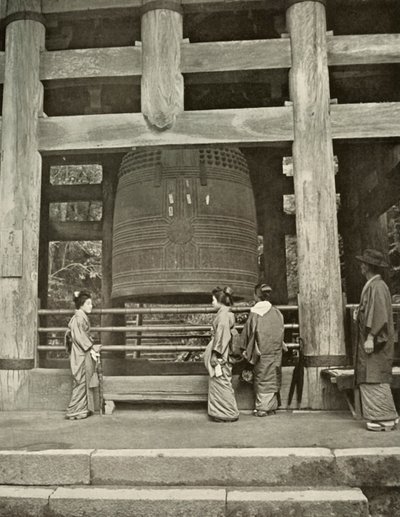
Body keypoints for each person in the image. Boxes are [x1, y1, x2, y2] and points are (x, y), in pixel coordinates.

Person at [354, 249, 399, 431]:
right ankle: (386, 416)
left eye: (363, 264)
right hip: (371, 340)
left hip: (375, 341)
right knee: (371, 376)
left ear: (367, 266)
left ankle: (384, 417)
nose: (361, 266)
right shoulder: (374, 285)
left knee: (374, 377)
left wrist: (371, 337)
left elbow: (380, 314)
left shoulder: (377, 287)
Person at [240, 283, 285, 417]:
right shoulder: (276, 312)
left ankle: (262, 407)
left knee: (261, 377)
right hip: (275, 350)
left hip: (261, 351)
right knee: (273, 375)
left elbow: (248, 333)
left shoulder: (255, 313)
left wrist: (244, 349)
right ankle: (271, 405)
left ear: (255, 296)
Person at [204, 286, 240, 422]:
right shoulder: (225, 313)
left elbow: (222, 336)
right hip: (223, 352)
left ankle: (228, 413)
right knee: (221, 382)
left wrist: (215, 354)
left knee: (221, 382)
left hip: (221, 354)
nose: (212, 302)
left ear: (219, 301)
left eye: (213, 300)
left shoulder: (223, 315)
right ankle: (222, 412)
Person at [65, 291, 101, 420]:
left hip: (80, 351)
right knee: (81, 380)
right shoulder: (79, 317)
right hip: (80, 352)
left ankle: (81, 409)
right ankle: (74, 409)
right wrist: (91, 346)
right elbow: (80, 337)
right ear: (81, 305)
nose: (91, 306)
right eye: (88, 303)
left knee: (83, 380)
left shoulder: (80, 316)